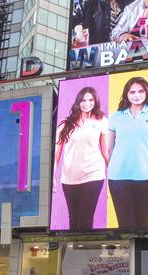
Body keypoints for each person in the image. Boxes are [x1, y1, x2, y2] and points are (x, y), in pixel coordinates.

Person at [107, 77, 148, 229]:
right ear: (126, 94)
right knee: (125, 226)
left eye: (140, 91)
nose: (137, 95)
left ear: (147, 92)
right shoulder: (115, 117)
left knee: (143, 224)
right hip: (118, 178)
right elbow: (108, 149)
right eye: (132, 92)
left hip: (146, 177)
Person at [54, 87, 109, 231]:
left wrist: (114, 175)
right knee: (73, 219)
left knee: (85, 219)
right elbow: (57, 153)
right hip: (69, 177)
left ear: (95, 101)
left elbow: (105, 150)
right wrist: (52, 177)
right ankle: (75, 250)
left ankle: (86, 249)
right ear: (78, 101)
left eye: (91, 100)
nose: (87, 103)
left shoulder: (102, 121)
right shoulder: (65, 123)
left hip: (93, 174)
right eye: (84, 100)